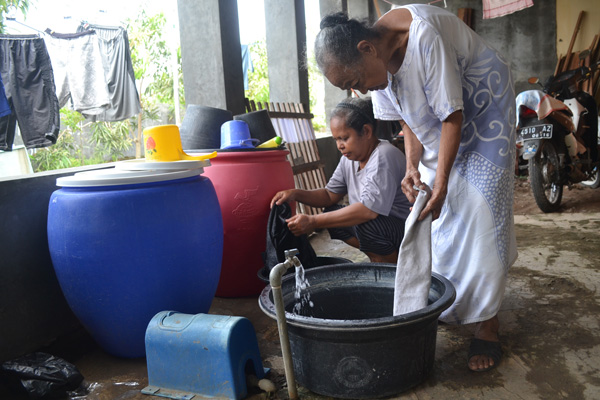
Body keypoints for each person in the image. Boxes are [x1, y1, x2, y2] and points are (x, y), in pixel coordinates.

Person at [314, 4, 517, 372]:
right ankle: (453, 301)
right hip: (443, 121)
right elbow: (407, 121)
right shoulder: (375, 64)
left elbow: (452, 115)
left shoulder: (423, 36)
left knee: (479, 210)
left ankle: (488, 324)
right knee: (438, 217)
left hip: (485, 108)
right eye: (349, 88)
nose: (357, 90)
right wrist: (411, 166)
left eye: (353, 81)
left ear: (366, 48)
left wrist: (441, 185)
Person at [270, 97, 411, 264]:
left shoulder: (384, 156)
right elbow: (330, 195)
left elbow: (368, 211)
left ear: (366, 131)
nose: (340, 145)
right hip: (378, 226)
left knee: (365, 224)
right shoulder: (349, 158)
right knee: (331, 213)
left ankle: (393, 264)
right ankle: (377, 257)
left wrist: (313, 221)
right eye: (336, 139)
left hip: (404, 229)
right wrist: (295, 194)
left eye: (344, 138)